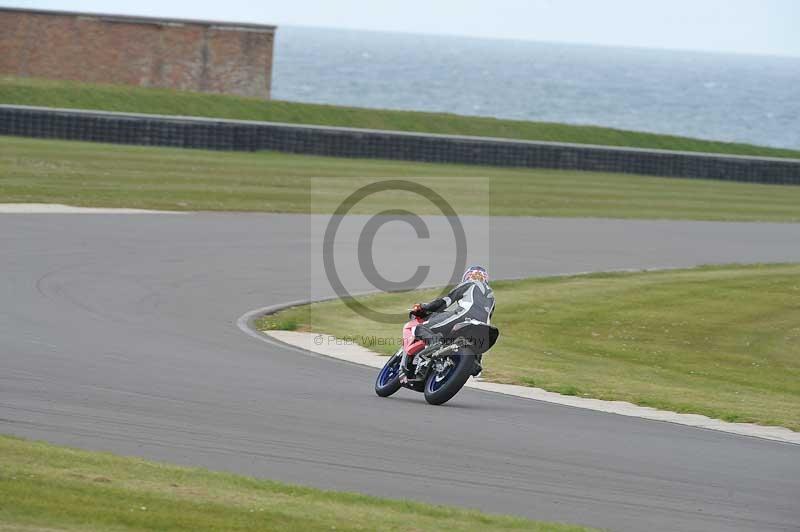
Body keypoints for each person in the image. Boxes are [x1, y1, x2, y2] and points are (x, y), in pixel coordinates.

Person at [401, 265, 495, 380]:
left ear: (467, 277)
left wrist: (423, 307)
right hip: (484, 328)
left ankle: (434, 343)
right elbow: (487, 317)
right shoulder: (491, 297)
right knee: (477, 345)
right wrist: (477, 358)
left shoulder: (468, 284)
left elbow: (444, 302)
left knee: (419, 328)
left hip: (462, 316)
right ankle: (475, 364)